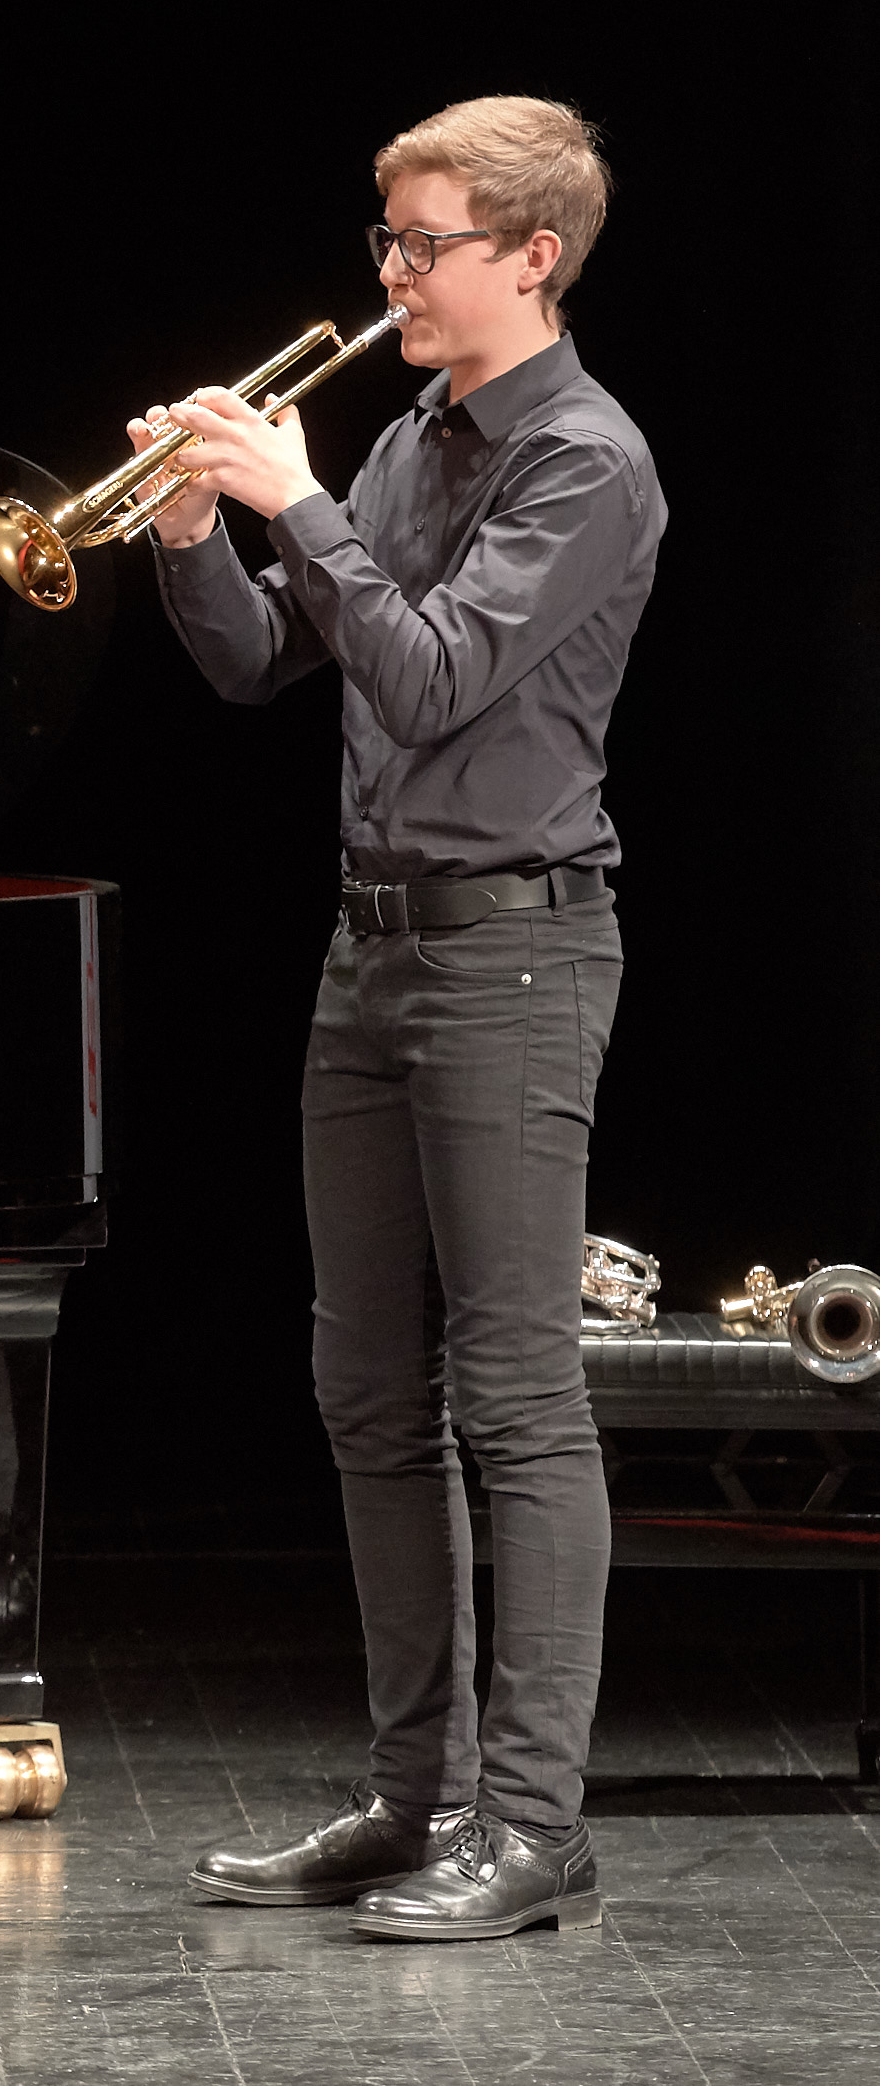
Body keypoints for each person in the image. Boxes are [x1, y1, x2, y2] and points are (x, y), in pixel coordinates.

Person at [144, 99, 660, 1941]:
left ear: (530, 254)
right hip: (369, 955)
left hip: (515, 954)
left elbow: (436, 677)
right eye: (386, 242)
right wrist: (200, 530)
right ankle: (409, 1794)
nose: (391, 275)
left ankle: (537, 1826)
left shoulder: (586, 463)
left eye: (423, 242)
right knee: (366, 1386)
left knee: (516, 1397)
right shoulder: (413, 442)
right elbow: (259, 664)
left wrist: (294, 503)